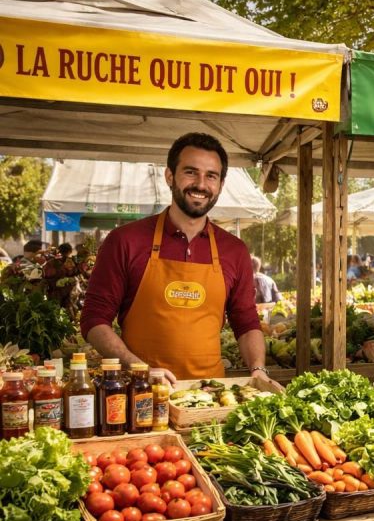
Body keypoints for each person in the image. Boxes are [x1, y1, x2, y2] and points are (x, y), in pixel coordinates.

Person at [81, 132, 270, 386]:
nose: (201, 184)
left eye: (211, 176)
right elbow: (94, 320)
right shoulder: (125, 241)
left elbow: (246, 322)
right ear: (170, 176)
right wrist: (138, 368)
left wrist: (258, 369)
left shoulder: (234, 250)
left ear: (220, 185)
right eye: (191, 172)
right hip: (142, 392)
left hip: (210, 395)